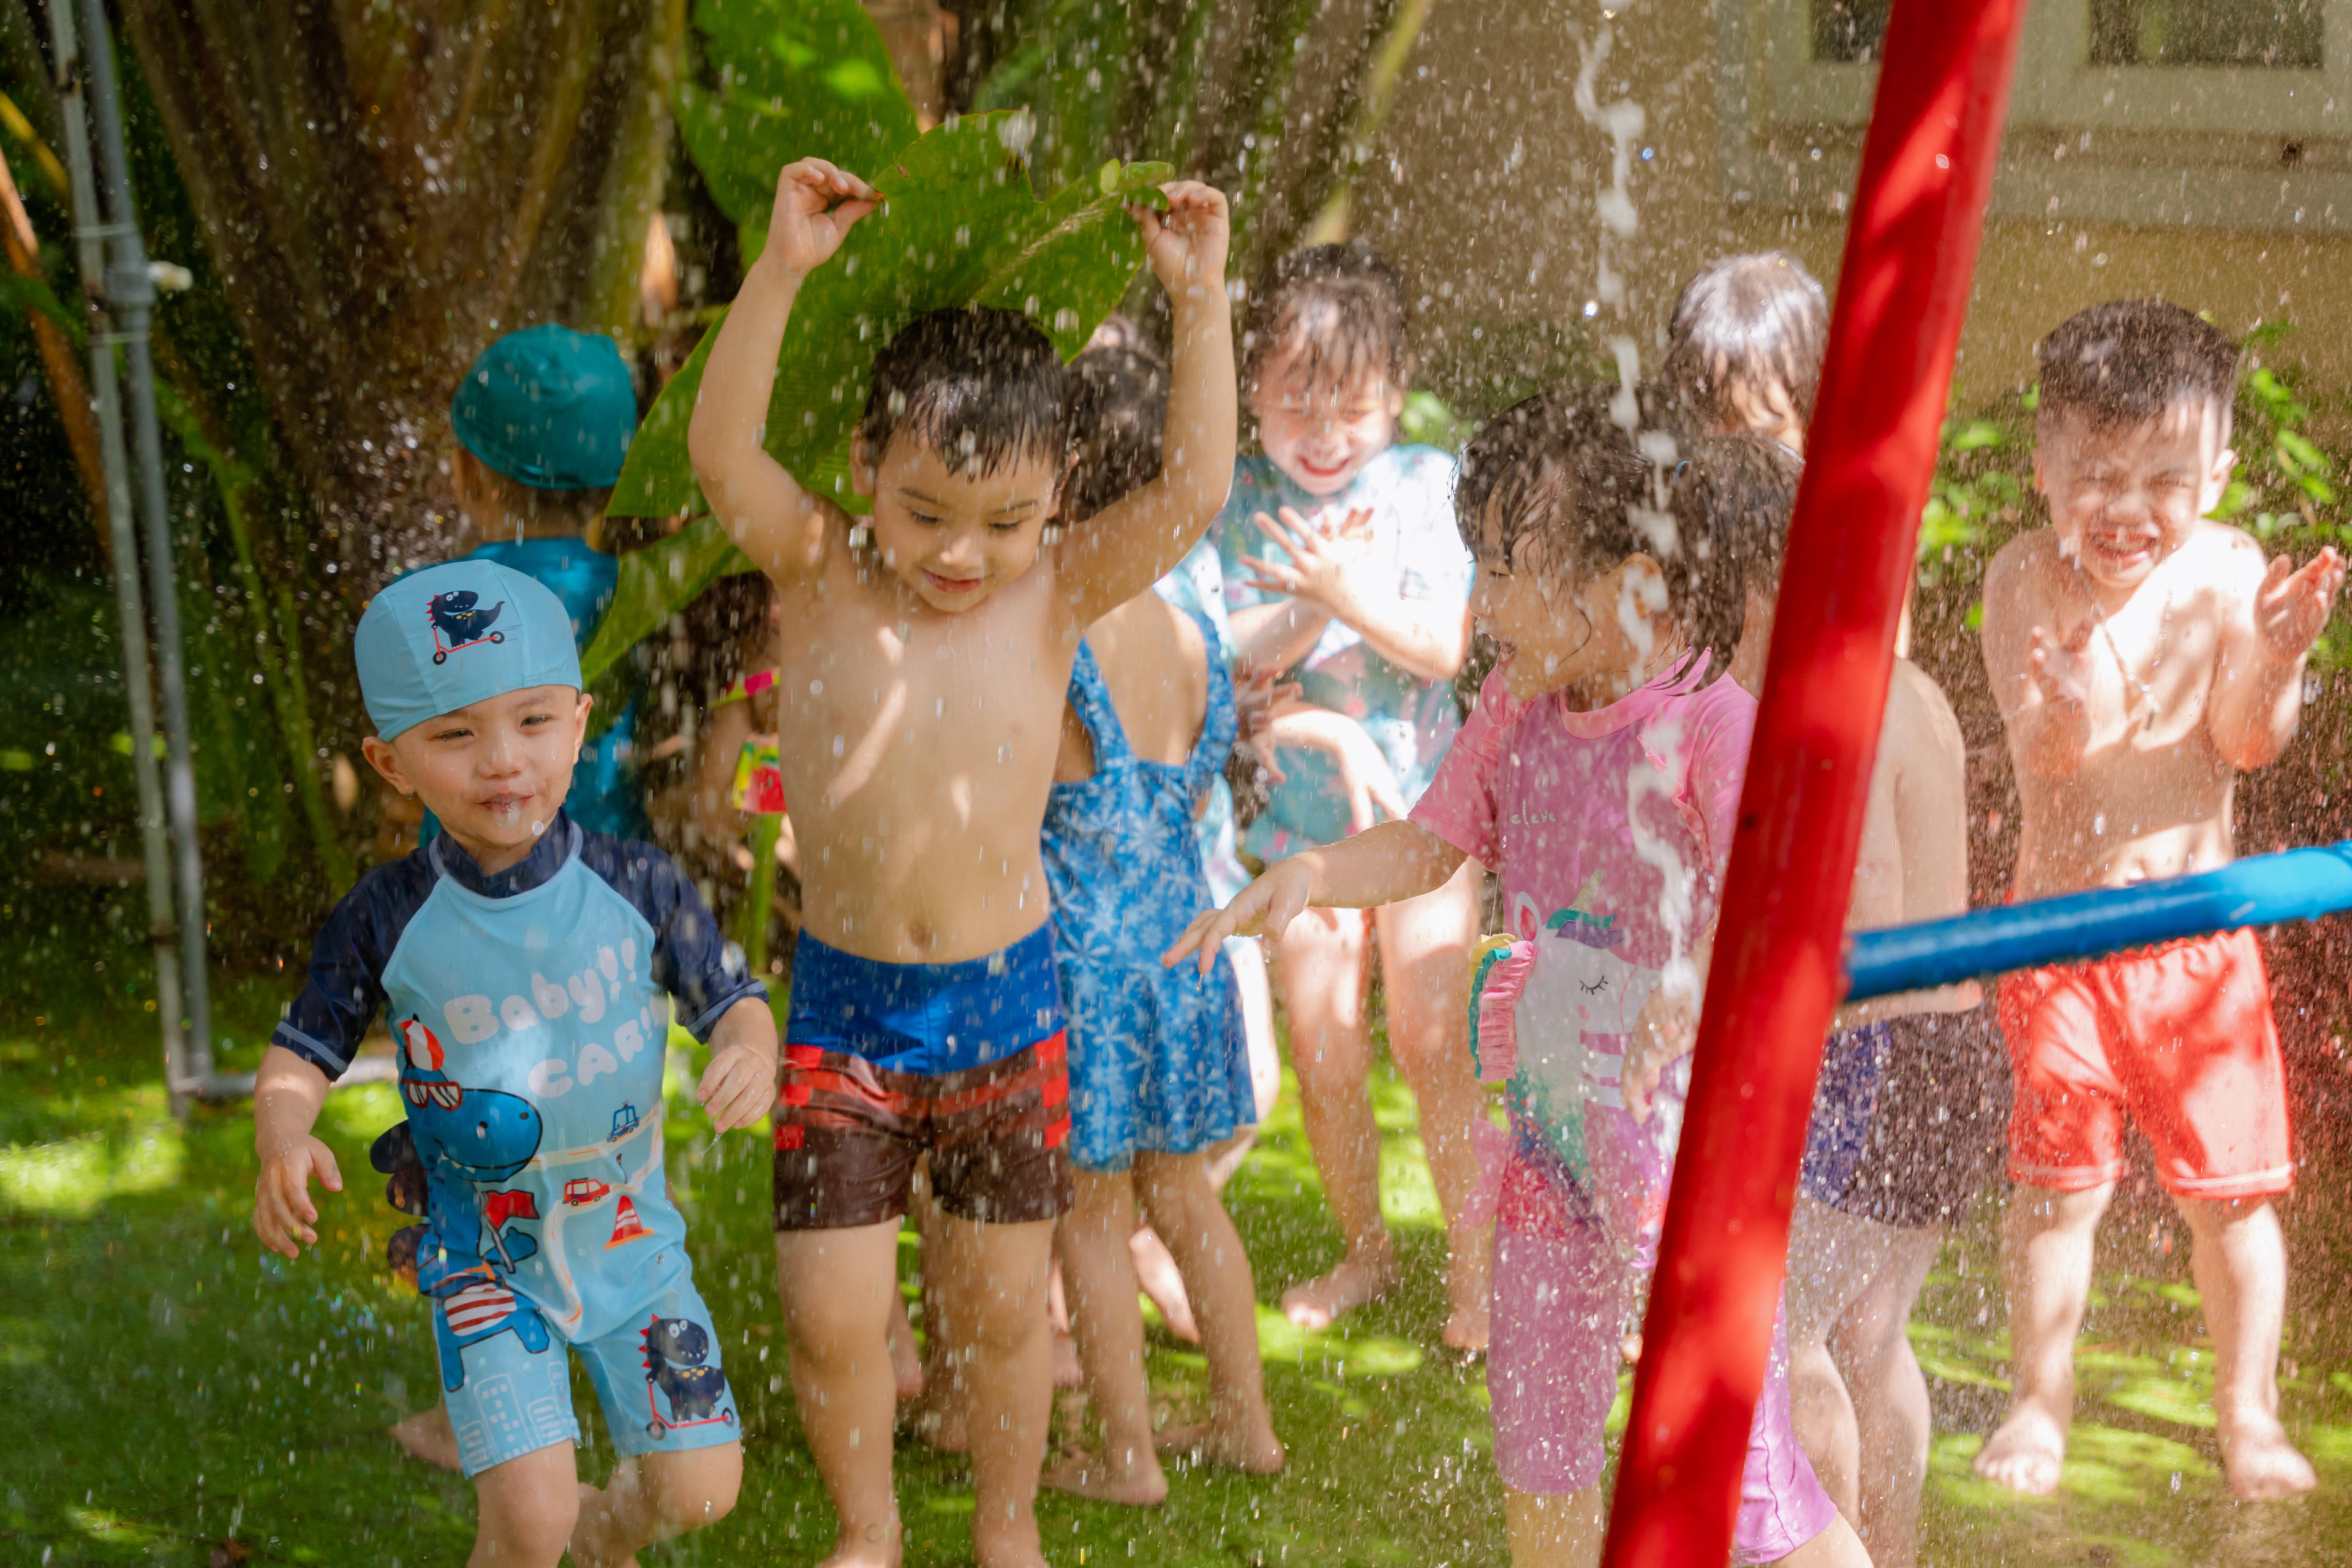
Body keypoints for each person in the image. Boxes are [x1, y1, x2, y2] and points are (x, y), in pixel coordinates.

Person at [1167, 388, 1867, 1567]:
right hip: (1549, 1138)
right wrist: (1314, 874)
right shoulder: (1518, 708)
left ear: (1625, 582)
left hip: (1688, 1156)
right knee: (1538, 1449)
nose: (1480, 604)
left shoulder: (1709, 726)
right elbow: (1435, 836)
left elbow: (1775, 901)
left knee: (1738, 1474)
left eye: (1506, 570)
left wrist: (1693, 987)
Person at [687, 156, 1233, 1568]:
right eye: (925, 511)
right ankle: (868, 1528)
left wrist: (1201, 303)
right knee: (828, 1306)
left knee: (1000, 1311)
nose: (960, 555)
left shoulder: (1053, 592)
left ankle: (1006, 1524)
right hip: (846, 1013)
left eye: (1003, 522)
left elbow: (1194, 489)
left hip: (1005, 1008)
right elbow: (718, 454)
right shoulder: (816, 570)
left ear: (1053, 498)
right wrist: (781, 270)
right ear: (868, 467)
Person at [251, 560, 777, 1568]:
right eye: (455, 734)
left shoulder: (642, 885)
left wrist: (748, 1053)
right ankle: (554, 1535)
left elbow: (736, 1004)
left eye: (534, 722)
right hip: (488, 1270)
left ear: (580, 724)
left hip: (637, 1257)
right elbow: (300, 1052)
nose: (502, 761)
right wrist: (283, 1131)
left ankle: (606, 1536)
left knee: (701, 1489)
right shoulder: (387, 916)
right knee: (526, 1523)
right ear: (392, 760)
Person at [1975, 299, 2343, 1502]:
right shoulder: (2025, 577)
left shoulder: (2229, 569)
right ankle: (2040, 1401)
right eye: (2096, 476)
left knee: (2230, 1198)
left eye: (2162, 479)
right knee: (2060, 1188)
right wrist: (2066, 705)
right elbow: (2047, 757)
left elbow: (2242, 743)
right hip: (2064, 936)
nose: (2126, 509)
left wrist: (2277, 654)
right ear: (2044, 468)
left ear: (2220, 473)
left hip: (2197, 944)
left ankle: (2248, 1411)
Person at [1668, 252, 1999, 1564]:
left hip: (1869, 1052)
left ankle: (1835, 1554)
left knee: (1782, 1333)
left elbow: (1840, 924)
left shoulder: (1819, 686)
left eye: (1761, 423)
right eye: (1713, 422)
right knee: (1871, 1331)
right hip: (1955, 1050)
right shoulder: (1887, 664)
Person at [1208, 241, 1487, 1346]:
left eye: (1351, 408)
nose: (1322, 435)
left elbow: (1444, 649)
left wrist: (1340, 592)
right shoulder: (1239, 498)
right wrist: (1313, 609)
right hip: (1298, 825)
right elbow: (1232, 662)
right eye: (1294, 403)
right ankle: (1366, 1249)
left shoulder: (1425, 486)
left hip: (1427, 811)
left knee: (1432, 1037)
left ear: (1398, 389)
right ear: (1257, 391)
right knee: (1325, 1046)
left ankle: (1476, 1274)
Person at [1038, 341, 1284, 1504]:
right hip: (1188, 940)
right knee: (1182, 1195)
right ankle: (1247, 1421)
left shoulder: (1063, 611)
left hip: (1085, 955)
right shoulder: (1193, 599)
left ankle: (1127, 1456)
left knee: (1090, 1215)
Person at [445, 322, 653, 840]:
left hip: (470, 891)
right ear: (613, 488)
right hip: (611, 881)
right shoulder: (643, 594)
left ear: (467, 475)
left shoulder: (437, 603)